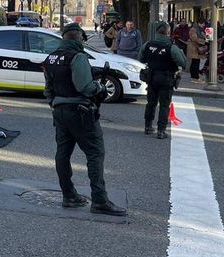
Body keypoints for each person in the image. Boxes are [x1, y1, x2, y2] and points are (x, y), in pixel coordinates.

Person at [44, 23, 126, 216]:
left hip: (60, 110)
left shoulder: (51, 58)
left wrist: (55, 103)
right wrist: (100, 88)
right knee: (95, 153)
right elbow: (85, 87)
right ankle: (99, 200)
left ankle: (69, 195)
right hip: (80, 111)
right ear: (79, 38)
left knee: (62, 154)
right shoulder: (78, 57)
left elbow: (48, 89)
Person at [140, 22, 186, 138]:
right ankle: (161, 131)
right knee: (164, 105)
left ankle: (147, 126)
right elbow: (183, 63)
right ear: (168, 33)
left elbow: (141, 58)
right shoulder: (172, 47)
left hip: (151, 76)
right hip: (166, 78)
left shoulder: (148, 44)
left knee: (151, 103)